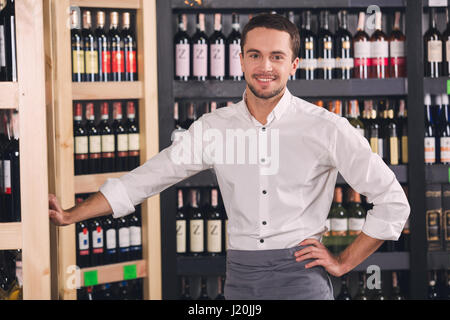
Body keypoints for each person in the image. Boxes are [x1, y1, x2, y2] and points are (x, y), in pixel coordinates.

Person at [49, 13, 410, 300]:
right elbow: (145, 180)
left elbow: (393, 202)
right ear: (240, 59)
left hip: (302, 278)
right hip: (239, 276)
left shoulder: (327, 128)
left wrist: (344, 261)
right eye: (255, 55)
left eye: (277, 56)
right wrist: (70, 215)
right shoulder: (214, 128)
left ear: (294, 64)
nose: (264, 66)